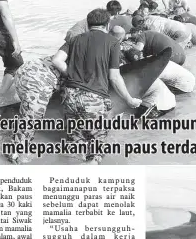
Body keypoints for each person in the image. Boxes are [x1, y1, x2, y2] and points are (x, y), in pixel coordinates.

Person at [52, 9, 142, 165]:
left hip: (69, 96)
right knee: (96, 148)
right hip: (93, 99)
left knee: (75, 142)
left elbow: (57, 60)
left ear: (88, 24)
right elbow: (114, 76)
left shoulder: (74, 39)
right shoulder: (112, 42)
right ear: (107, 25)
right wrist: (129, 100)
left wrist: (72, 74)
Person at [6, 56, 63, 165]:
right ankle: (14, 157)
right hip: (39, 79)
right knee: (30, 122)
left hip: (25, 70)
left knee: (28, 115)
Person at [110, 26, 177, 118]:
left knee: (139, 122)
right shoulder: (127, 66)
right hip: (144, 93)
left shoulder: (122, 76)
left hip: (159, 102)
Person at [128, 28, 195, 94]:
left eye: (132, 35)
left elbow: (139, 48)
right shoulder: (152, 33)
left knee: (158, 86)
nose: (133, 38)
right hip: (181, 55)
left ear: (139, 31)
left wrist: (131, 46)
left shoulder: (142, 35)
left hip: (170, 56)